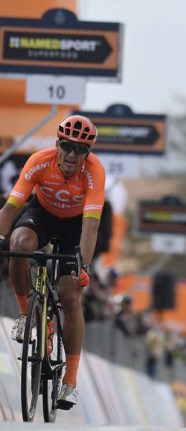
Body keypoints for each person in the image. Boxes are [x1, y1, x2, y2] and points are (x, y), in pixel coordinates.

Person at [0, 115, 105, 409]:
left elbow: (91, 226)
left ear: (88, 152)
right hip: (42, 215)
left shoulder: (95, 172)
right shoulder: (39, 161)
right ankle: (25, 314)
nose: (72, 154)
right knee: (19, 245)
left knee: (70, 295)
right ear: (57, 144)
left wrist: (83, 265)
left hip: (76, 226)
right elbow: (10, 207)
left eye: (80, 149)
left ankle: (70, 381)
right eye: (66, 145)